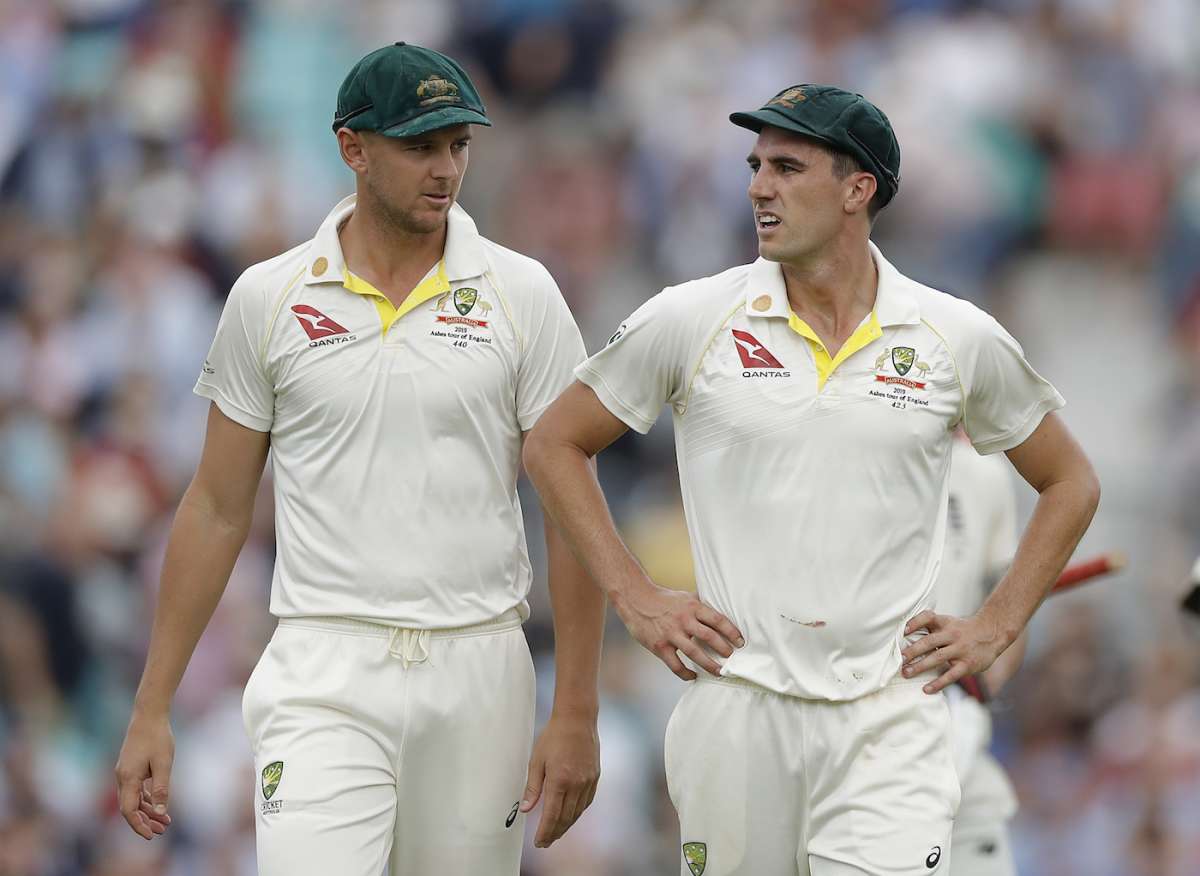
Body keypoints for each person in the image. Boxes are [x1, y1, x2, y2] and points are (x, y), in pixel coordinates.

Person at [522, 84, 1101, 875]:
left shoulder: (954, 333)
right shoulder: (691, 317)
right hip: (735, 713)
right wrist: (635, 594)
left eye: (789, 167)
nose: (759, 185)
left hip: (890, 721)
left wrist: (995, 624)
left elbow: (1070, 480)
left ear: (858, 188)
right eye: (756, 166)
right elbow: (555, 443)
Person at [114, 42, 604, 875]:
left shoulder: (523, 294)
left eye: (457, 146)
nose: (445, 169)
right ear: (353, 148)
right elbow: (218, 506)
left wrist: (577, 710)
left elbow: (571, 503)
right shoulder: (270, 297)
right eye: (419, 146)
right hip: (322, 664)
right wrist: (152, 704)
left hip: (480, 665)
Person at [938, 432, 1028, 876]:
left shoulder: (983, 471)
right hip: (856, 720)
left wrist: (983, 680)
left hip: (957, 727)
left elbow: (1010, 605)